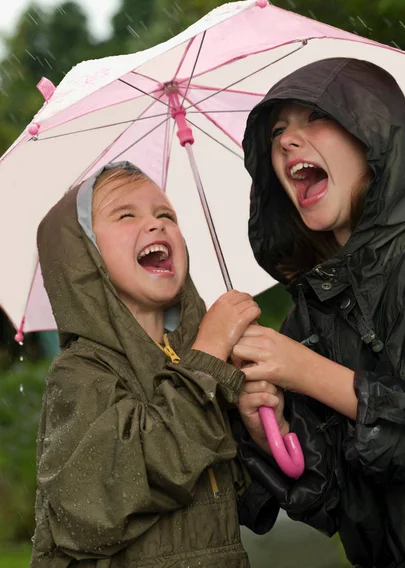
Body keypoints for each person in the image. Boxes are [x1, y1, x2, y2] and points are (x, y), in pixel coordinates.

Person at [234, 58, 405, 568]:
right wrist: (273, 424)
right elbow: (333, 503)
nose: (287, 141)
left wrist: (311, 374)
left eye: (314, 118)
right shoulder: (307, 318)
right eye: (278, 132)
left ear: (371, 136)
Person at [30, 161, 278, 568]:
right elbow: (116, 487)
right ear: (84, 256)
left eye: (166, 215)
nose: (156, 225)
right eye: (126, 215)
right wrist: (209, 354)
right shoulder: (80, 373)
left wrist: (258, 433)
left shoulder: (198, 361)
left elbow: (243, 504)